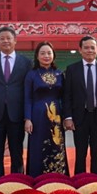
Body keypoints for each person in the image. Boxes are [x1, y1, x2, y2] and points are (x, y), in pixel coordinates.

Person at [0, 27, 32, 176]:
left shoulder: (26, 62)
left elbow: (28, 90)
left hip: (16, 114)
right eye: (2, 38)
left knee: (16, 151)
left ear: (15, 41)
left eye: (8, 38)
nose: (5, 41)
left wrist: (27, 116)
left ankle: (18, 180)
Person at [62, 35, 97, 175]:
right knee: (80, 152)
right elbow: (67, 95)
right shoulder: (72, 69)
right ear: (80, 50)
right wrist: (67, 117)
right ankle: (79, 180)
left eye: (92, 47)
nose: (89, 50)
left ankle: (96, 180)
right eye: (86, 47)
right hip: (79, 116)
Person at [24, 41, 68, 176]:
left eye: (49, 53)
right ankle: (37, 176)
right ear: (37, 56)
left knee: (56, 144)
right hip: (37, 116)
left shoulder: (60, 74)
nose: (46, 56)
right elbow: (27, 98)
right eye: (42, 53)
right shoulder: (31, 74)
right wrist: (27, 118)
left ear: (53, 55)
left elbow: (65, 98)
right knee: (38, 146)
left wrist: (67, 117)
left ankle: (58, 175)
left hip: (56, 117)